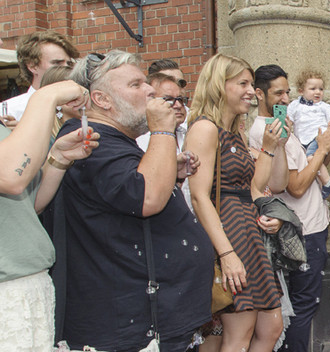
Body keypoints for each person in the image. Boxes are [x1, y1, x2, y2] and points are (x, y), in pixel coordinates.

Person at [52, 50, 209, 351]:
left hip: (151, 318)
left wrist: (169, 175)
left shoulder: (111, 140)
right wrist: (163, 130)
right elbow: (146, 197)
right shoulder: (89, 140)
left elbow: (125, 193)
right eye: (136, 85)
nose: (151, 90)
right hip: (129, 325)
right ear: (102, 100)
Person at [186, 53, 289, 351]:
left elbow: (256, 188)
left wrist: (270, 148)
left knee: (270, 327)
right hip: (228, 234)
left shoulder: (235, 134)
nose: (249, 90)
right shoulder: (205, 128)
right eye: (242, 83)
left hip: (249, 232)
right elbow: (199, 196)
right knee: (237, 335)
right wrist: (227, 253)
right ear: (220, 85)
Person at [247, 64, 330, 352]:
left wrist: (326, 149)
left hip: (310, 225)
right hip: (301, 230)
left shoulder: (282, 128)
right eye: (277, 92)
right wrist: (322, 148)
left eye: (287, 91)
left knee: (302, 305)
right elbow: (295, 186)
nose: (284, 98)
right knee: (301, 307)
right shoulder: (266, 132)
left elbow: (308, 170)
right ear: (259, 94)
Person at [0, 80, 97, 351]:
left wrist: (58, 158)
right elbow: (10, 177)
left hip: (28, 285)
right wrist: (46, 97)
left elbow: (27, 207)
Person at [1, 31, 78, 128]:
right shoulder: (11, 109)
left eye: (69, 64)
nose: (66, 68)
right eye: (57, 63)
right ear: (32, 66)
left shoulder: (79, 106)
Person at [285, 69, 330, 199]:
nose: (318, 92)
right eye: (313, 89)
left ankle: (327, 182)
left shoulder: (324, 106)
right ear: (301, 91)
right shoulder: (294, 105)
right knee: (308, 164)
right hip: (301, 141)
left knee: (311, 158)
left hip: (318, 138)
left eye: (321, 89)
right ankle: (318, 187)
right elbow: (288, 120)